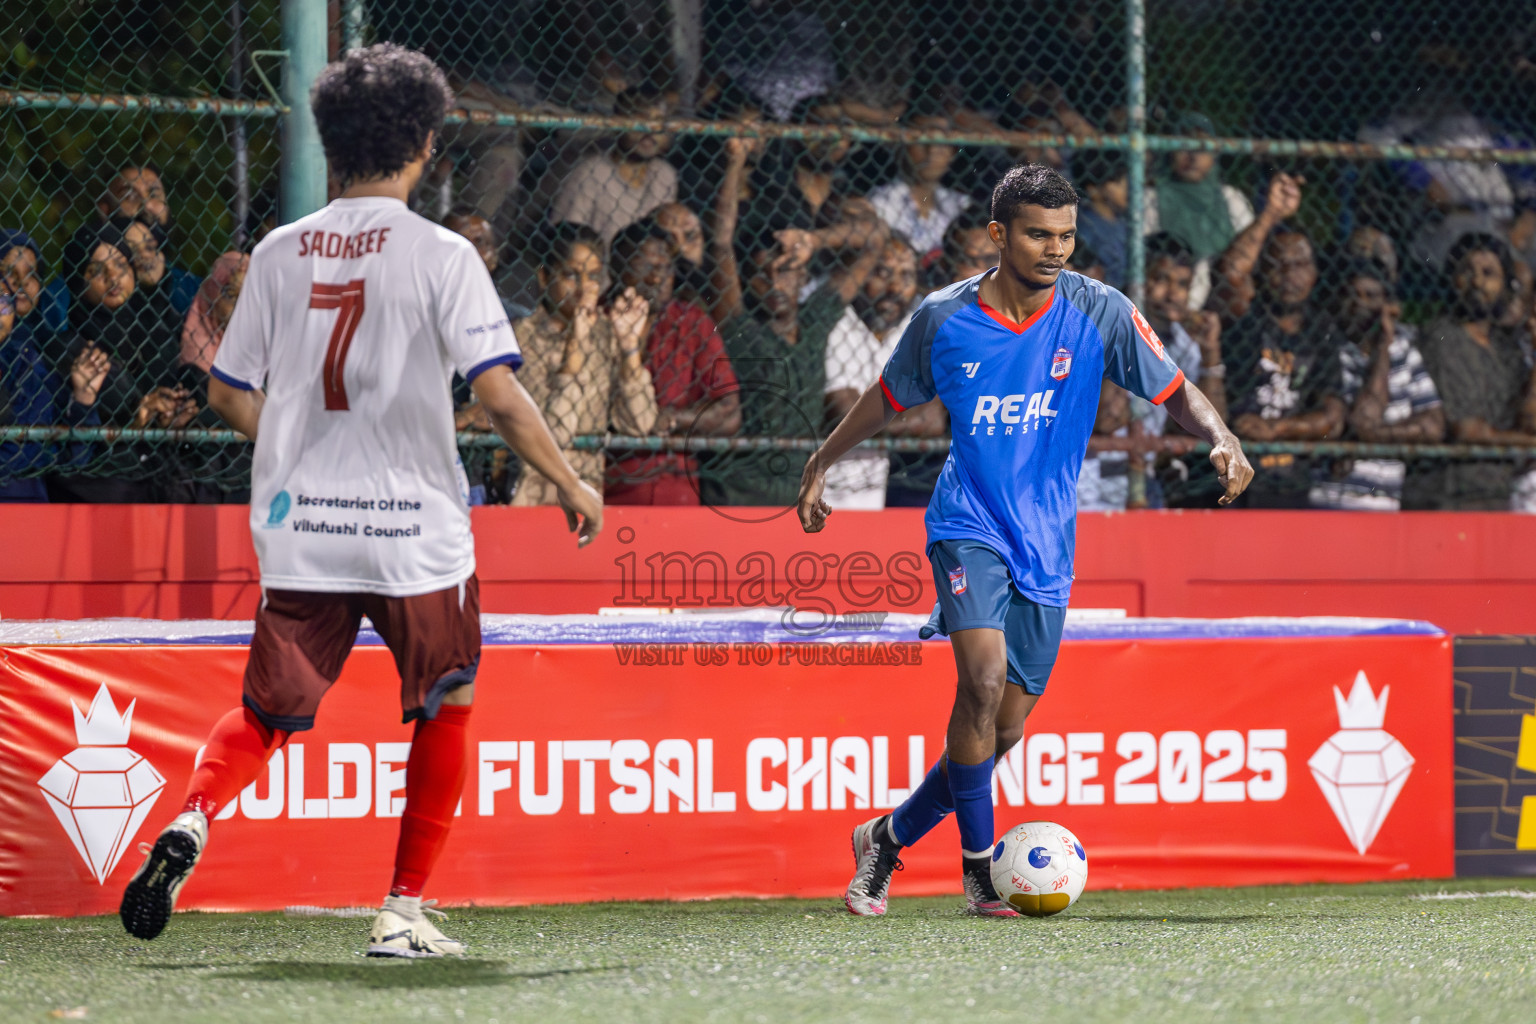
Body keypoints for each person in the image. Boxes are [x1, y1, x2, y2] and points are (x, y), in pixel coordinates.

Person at [118, 44, 603, 957]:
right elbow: (498, 394)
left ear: (329, 141)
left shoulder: (278, 250)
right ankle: (401, 909)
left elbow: (226, 391)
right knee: (448, 701)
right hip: (415, 530)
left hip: (305, 527)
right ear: (425, 142)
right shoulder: (444, 253)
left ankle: (190, 820)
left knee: (266, 711)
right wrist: (571, 481)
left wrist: (301, 450)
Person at [795, 163, 1251, 916]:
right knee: (977, 682)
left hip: (1048, 542)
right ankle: (979, 872)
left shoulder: (1099, 310)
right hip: (967, 523)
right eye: (1039, 234)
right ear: (999, 236)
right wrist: (820, 460)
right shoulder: (944, 318)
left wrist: (1222, 434)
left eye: (1066, 236)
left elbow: (1174, 390)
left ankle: (888, 836)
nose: (1055, 249)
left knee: (1002, 729)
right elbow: (888, 397)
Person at [704, 135, 887, 508]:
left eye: (786, 272)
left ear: (804, 276)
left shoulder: (816, 317)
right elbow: (720, 243)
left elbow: (875, 240)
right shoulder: (742, 326)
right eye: (763, 274)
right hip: (735, 491)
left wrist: (813, 240)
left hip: (795, 492)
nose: (775, 284)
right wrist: (736, 162)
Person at [509, 223, 658, 505]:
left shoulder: (605, 333)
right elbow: (556, 433)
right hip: (531, 497)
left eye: (592, 276)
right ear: (544, 277)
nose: (583, 288)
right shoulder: (522, 338)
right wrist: (575, 346)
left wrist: (629, 350)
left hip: (586, 497)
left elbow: (639, 423)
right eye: (570, 275)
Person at [45, 221, 193, 503]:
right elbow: (72, 459)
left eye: (121, 265)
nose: (113, 277)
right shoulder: (66, 349)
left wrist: (170, 419)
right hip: (96, 490)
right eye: (96, 270)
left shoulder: (158, 339)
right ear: (78, 281)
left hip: (156, 480)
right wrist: (136, 421)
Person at [604, 218, 740, 504]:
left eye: (665, 268)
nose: (656, 278)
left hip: (674, 486)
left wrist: (672, 419)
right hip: (606, 485)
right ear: (616, 269)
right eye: (644, 267)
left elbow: (728, 413)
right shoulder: (596, 322)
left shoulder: (691, 323)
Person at [1221, 227, 1346, 508]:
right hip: (1230, 479)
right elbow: (1229, 275)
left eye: (1300, 265)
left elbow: (1332, 418)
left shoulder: (1322, 331)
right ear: (1263, 271)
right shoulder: (1243, 322)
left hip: (1294, 481)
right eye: (1279, 265)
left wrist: (1275, 429)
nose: (1290, 275)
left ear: (1315, 273)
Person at [1309, 259, 1444, 511]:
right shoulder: (1328, 352)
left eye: (1370, 296)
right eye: (1350, 295)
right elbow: (1364, 417)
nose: (1358, 304)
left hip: (1386, 502)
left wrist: (1371, 436)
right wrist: (1382, 349)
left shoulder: (1403, 352)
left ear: (1385, 305)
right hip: (1331, 501)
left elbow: (1433, 424)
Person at [1418, 233, 1536, 509]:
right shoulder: (1443, 337)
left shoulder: (1507, 347)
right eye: (1467, 271)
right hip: (1449, 495)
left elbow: (1528, 420)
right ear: (1452, 279)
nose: (1478, 282)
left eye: (1489, 273)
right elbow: (1469, 430)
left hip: (1496, 493)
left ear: (1505, 285)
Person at [1, 231, 109, 501]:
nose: (20, 282)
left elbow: (78, 461)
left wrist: (83, 400)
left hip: (35, 508)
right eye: (7, 271)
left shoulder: (52, 353)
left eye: (32, 273)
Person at [821, 236, 923, 509]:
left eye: (906, 276)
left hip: (893, 488)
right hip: (831, 489)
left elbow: (930, 419)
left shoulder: (917, 325)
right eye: (882, 273)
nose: (894, 288)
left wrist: (874, 416)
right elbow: (844, 411)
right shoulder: (837, 324)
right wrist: (908, 412)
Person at [1143, 113, 1259, 311]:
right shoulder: (1151, 198)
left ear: (1214, 156)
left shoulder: (1231, 199)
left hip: (1223, 303)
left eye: (1202, 149)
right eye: (1184, 146)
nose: (1193, 156)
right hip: (1164, 302)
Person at [550, 86, 678, 244]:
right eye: (641, 120)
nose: (649, 132)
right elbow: (566, 237)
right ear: (618, 123)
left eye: (658, 123)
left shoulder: (665, 175)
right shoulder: (591, 173)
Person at [865, 111, 973, 264]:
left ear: (953, 152)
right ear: (902, 147)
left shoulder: (960, 204)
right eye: (921, 139)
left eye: (941, 140)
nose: (932, 150)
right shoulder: (881, 202)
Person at [1072, 150, 1129, 289]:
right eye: (1117, 182)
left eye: (1126, 179)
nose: (1127, 188)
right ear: (1094, 190)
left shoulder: (1124, 223)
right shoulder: (1085, 228)